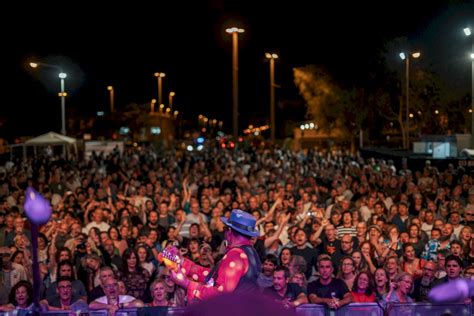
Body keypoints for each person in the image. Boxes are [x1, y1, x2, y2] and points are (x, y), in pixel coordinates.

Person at [166, 209, 262, 302]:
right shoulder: (251, 252)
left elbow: (221, 295)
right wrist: (181, 261)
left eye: (225, 228)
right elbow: (216, 277)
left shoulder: (235, 255)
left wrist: (186, 283)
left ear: (229, 231)